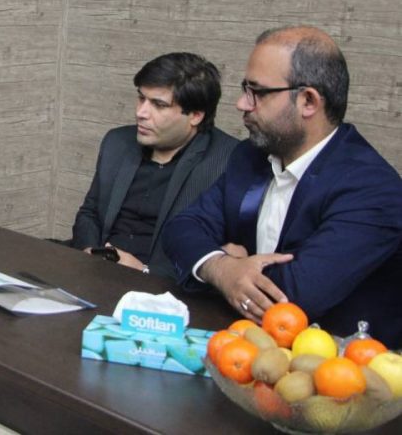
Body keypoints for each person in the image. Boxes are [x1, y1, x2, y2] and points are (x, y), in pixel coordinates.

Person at [163, 26, 402, 346]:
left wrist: (228, 269)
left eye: (257, 92)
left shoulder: (372, 189)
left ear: (308, 101)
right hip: (240, 347)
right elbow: (182, 228)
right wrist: (223, 269)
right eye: (244, 89)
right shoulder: (250, 156)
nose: (242, 104)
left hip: (335, 366)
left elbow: (294, 296)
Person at [72, 53, 237, 277]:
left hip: (163, 284)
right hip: (97, 271)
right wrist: (90, 252)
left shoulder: (227, 160)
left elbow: (223, 251)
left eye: (158, 105)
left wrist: (145, 271)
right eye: (141, 98)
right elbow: (90, 213)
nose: (140, 113)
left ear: (195, 116)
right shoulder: (117, 142)